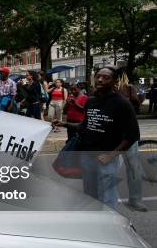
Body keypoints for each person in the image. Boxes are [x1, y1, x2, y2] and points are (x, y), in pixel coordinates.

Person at [54, 67, 140, 210]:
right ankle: (95, 224)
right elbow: (86, 126)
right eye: (98, 76)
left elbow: (132, 136)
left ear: (114, 82)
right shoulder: (90, 101)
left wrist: (111, 155)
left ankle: (109, 227)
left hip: (106, 159)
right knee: (90, 195)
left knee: (107, 197)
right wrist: (64, 124)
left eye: (106, 77)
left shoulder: (122, 104)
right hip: (87, 157)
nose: (100, 79)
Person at [117, 71, 147, 211]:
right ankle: (107, 200)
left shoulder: (129, 89)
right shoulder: (103, 93)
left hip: (129, 135)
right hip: (111, 137)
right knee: (109, 170)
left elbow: (138, 101)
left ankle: (135, 199)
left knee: (134, 168)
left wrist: (135, 94)